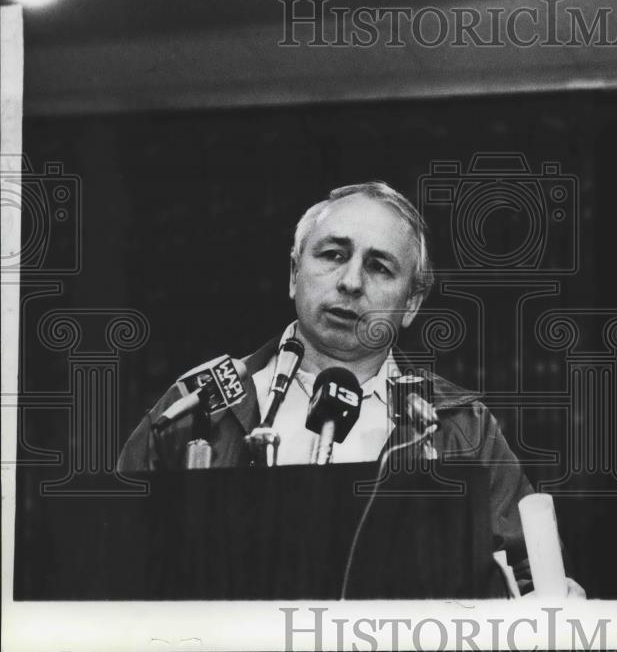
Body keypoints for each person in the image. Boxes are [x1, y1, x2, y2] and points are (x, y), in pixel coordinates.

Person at [118, 180, 534, 594]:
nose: (351, 282)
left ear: (412, 302)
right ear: (295, 274)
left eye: (379, 267)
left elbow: (527, 580)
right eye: (333, 255)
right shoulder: (201, 404)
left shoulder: (459, 425)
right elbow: (115, 561)